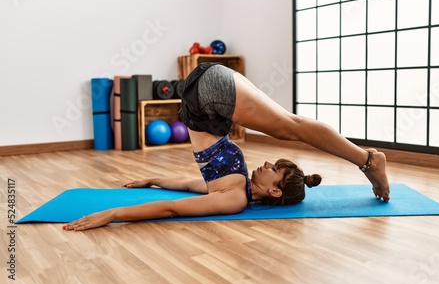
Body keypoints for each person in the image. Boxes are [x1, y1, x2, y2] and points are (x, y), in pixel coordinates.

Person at [63, 63, 389, 231]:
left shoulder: (233, 197)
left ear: (275, 192)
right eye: (275, 165)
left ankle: (368, 160)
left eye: (274, 171)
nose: (266, 165)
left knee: (292, 127)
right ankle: (367, 160)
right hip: (208, 97)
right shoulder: (236, 190)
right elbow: (186, 196)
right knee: (290, 127)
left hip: (206, 94)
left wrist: (118, 211)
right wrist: (139, 194)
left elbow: (177, 202)